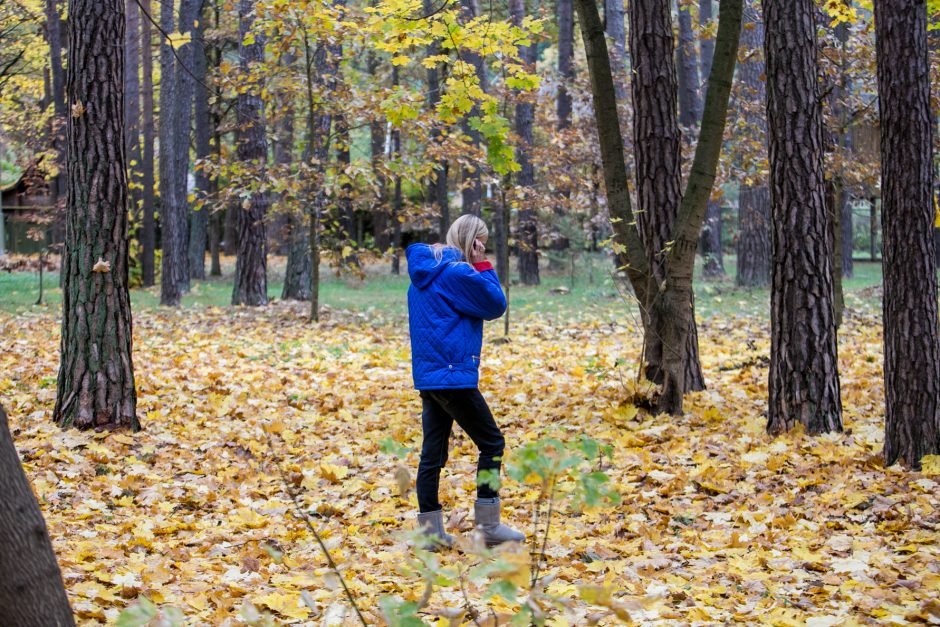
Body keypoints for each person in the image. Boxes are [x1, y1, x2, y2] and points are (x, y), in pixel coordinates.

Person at [405, 214, 524, 549]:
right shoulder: (457, 273)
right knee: (492, 443)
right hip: (454, 374)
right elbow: (495, 304)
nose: (483, 247)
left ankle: (430, 533)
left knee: (432, 452)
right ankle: (489, 528)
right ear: (469, 239)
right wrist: (483, 264)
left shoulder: (422, 275)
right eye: (480, 241)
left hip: (430, 377)